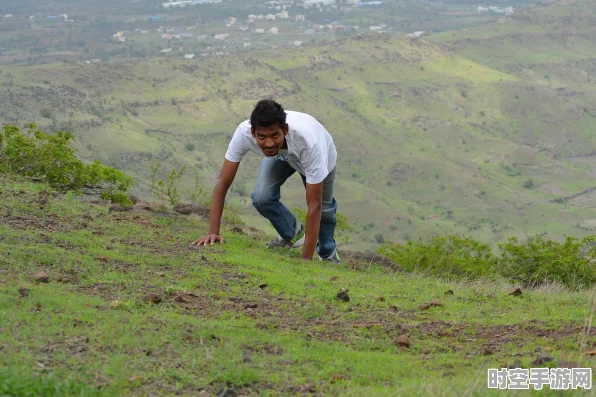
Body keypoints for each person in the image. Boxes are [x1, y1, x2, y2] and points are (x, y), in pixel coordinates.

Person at [192, 99, 340, 263]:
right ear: (253, 132)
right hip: (280, 155)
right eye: (262, 136)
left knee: (324, 208)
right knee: (262, 197)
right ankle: (293, 232)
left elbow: (314, 205)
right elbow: (222, 183)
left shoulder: (308, 143)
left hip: (318, 156)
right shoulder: (243, 133)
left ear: (285, 130)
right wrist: (213, 232)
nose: (268, 143)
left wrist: (305, 259)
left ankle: (327, 253)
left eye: (275, 135)